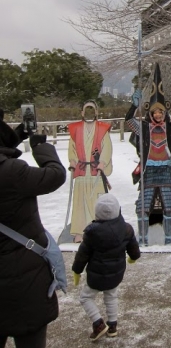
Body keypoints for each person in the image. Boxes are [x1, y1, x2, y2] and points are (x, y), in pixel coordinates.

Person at [0, 117, 66, 348]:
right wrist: (42, 149)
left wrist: (16, 135)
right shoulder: (12, 172)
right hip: (23, 283)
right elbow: (55, 175)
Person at [125, 63, 171, 246]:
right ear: (150, 113)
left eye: (161, 112)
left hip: (168, 171)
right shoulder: (143, 128)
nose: (158, 115)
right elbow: (129, 121)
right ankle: (143, 240)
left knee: (170, 207)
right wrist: (133, 106)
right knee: (142, 208)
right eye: (155, 112)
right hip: (149, 170)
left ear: (165, 112)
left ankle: (169, 240)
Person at [72, 193, 141, 341]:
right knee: (111, 296)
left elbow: (82, 255)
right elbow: (134, 249)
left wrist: (76, 271)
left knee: (85, 297)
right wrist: (133, 258)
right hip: (116, 273)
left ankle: (98, 323)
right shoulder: (126, 229)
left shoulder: (91, 233)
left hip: (96, 276)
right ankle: (113, 326)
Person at [68, 101, 113, 242]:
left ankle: (99, 230)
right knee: (80, 201)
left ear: (96, 112)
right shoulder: (75, 129)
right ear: (82, 112)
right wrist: (73, 161)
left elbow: (107, 148)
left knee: (97, 201)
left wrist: (102, 163)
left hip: (96, 170)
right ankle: (79, 232)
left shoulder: (102, 129)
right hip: (82, 170)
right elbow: (72, 148)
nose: (89, 113)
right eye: (86, 110)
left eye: (91, 110)